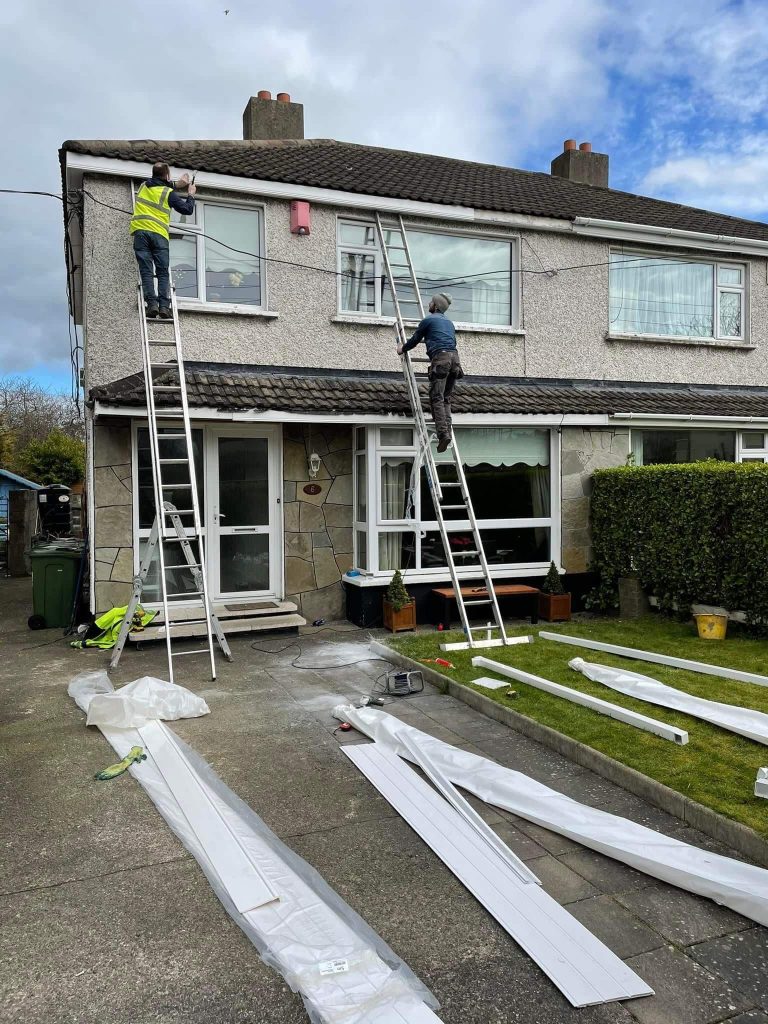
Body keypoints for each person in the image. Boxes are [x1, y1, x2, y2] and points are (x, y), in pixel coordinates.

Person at [397, 292, 463, 452]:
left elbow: (415, 340)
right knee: (446, 399)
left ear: (436, 305)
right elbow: (452, 342)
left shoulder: (428, 320)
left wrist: (402, 349)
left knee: (437, 399)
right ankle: (447, 431)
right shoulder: (449, 323)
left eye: (431, 302)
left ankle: (443, 435)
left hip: (441, 359)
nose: (429, 304)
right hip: (455, 360)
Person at [129, 162, 196, 319]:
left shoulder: (143, 186)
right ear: (167, 176)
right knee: (162, 272)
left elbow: (157, 183)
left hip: (141, 233)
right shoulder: (168, 193)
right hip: (159, 235)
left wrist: (176, 184)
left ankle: (152, 305)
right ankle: (164, 307)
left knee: (146, 271)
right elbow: (187, 209)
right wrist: (190, 193)